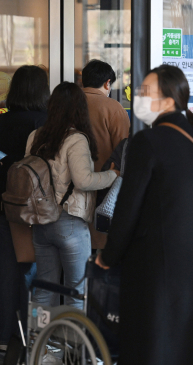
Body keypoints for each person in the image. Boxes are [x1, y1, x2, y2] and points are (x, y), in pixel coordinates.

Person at [96, 65, 193, 365]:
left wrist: (107, 256)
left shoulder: (148, 142)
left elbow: (127, 209)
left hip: (159, 268)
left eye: (146, 91)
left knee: (155, 353)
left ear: (169, 99)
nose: (139, 96)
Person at [26, 82, 117, 309]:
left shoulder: (35, 136)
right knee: (76, 289)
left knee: (45, 286)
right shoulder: (76, 139)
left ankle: (39, 341)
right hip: (69, 222)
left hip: (40, 221)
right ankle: (71, 344)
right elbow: (84, 180)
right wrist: (113, 175)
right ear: (79, 108)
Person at [0, 65, 49, 350]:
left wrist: (4, 160)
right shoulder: (45, 122)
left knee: (8, 270)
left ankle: (4, 336)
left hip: (4, 205)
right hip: (36, 208)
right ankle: (32, 338)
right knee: (36, 272)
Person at [81, 60, 130, 250]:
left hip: (68, 191)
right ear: (107, 83)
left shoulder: (66, 105)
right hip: (104, 188)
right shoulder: (113, 108)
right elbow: (124, 149)